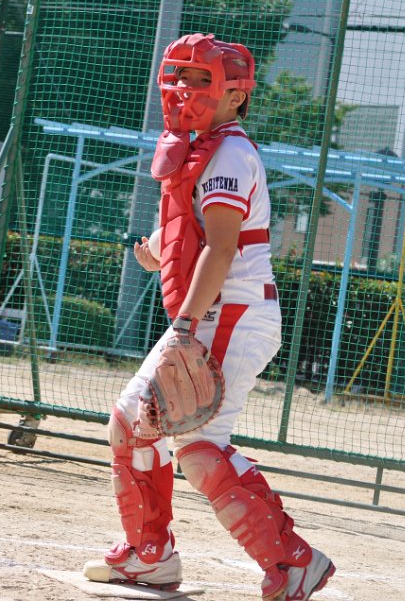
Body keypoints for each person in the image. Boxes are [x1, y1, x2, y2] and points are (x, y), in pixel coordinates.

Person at [83, 33, 336, 601]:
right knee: (134, 424)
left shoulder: (230, 153)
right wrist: (161, 252)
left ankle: (292, 561)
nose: (184, 89)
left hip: (232, 313)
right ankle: (151, 555)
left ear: (236, 96)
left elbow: (222, 250)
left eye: (202, 80)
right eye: (179, 76)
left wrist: (184, 326)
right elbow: (197, 237)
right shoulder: (202, 148)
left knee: (196, 448)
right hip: (217, 312)